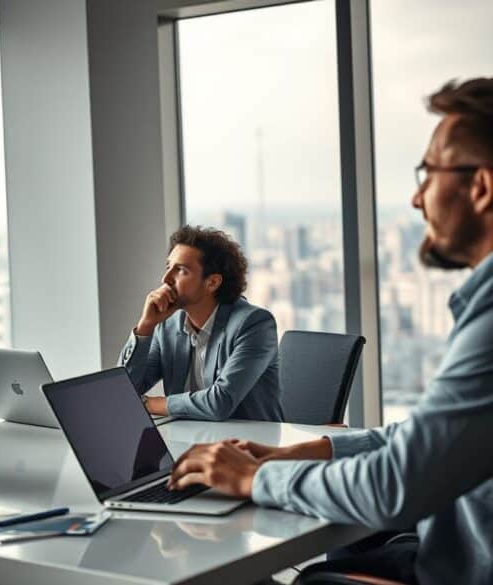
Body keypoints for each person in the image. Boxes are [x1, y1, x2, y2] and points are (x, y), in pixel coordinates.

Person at [167, 78, 493, 585]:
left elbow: (393, 486)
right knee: (337, 561)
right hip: (449, 544)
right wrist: (307, 450)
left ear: (481, 187)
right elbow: (427, 439)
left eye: (428, 172)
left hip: (464, 567)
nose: (415, 197)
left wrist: (255, 476)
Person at [119, 226, 283, 422]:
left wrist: (149, 404)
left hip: (249, 447)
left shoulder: (254, 325)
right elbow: (123, 391)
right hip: (189, 440)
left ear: (212, 282)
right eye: (168, 267)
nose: (166, 279)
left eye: (181, 270)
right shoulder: (168, 326)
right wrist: (145, 327)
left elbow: (220, 402)